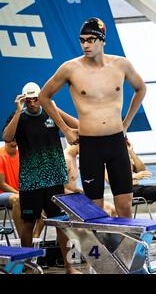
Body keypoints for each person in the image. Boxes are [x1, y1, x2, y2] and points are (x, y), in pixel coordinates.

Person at [38, 17, 147, 218]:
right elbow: (44, 97)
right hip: (90, 146)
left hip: (116, 142)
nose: (85, 45)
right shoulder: (70, 68)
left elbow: (141, 89)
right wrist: (66, 130)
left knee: (124, 205)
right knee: (95, 208)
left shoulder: (121, 65)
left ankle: (127, 249)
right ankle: (100, 249)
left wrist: (126, 124)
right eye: (82, 40)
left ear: (102, 40)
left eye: (90, 40)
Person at [2, 82, 80, 274]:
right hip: (31, 180)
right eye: (28, 100)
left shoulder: (50, 113)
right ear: (23, 99)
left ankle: (70, 267)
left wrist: (53, 107)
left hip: (54, 179)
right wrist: (18, 112)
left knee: (60, 223)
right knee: (28, 223)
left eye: (35, 99)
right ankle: (27, 267)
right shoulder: (19, 117)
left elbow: (76, 125)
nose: (32, 103)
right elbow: (7, 137)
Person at [63, 145, 117, 217]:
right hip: (65, 200)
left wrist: (83, 193)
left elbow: (70, 185)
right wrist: (80, 197)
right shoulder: (66, 160)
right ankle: (91, 227)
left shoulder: (73, 157)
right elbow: (58, 188)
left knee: (113, 209)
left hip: (72, 197)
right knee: (106, 210)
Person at [0, 140, 22, 237]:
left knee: (43, 198)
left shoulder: (22, 154)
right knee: (17, 199)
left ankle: (35, 236)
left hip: (19, 192)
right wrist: (18, 193)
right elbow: (2, 185)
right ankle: (23, 239)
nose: (14, 139)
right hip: (2, 194)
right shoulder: (1, 155)